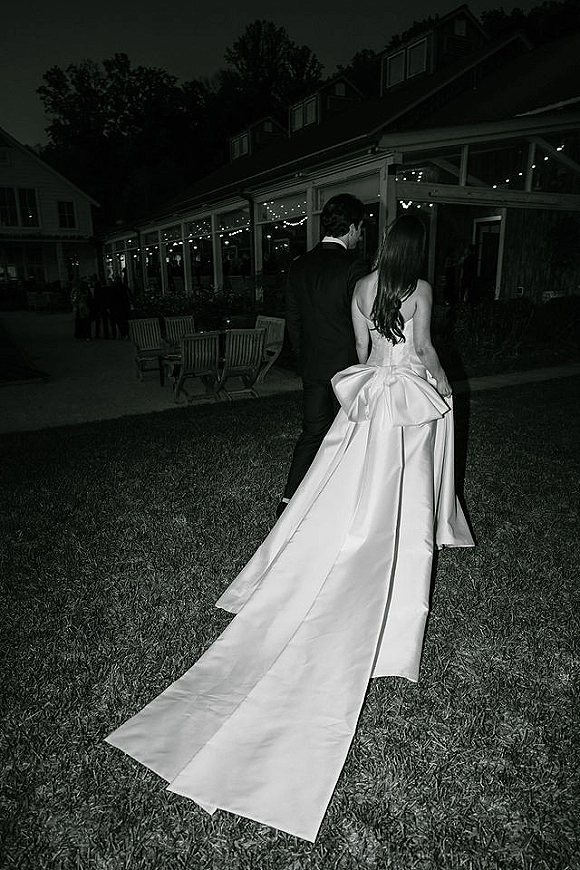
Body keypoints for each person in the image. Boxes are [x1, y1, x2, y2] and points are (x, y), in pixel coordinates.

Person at [105, 215, 474, 843]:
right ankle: (382, 552)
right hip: (406, 395)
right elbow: (427, 349)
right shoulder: (419, 289)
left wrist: (381, 372)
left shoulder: (362, 287)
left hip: (370, 394)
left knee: (345, 473)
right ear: (418, 251)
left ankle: (343, 534)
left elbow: (361, 355)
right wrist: (443, 388)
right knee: (402, 492)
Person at [278, 193, 369, 518]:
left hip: (314, 366)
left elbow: (294, 322)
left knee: (313, 432)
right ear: (353, 227)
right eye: (361, 228)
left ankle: (289, 501)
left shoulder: (299, 265)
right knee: (350, 435)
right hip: (347, 369)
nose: (361, 235)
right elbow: (363, 320)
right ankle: (343, 503)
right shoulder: (355, 266)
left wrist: (305, 361)